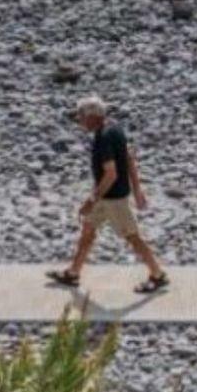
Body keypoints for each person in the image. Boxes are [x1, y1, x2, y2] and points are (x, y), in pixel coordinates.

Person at [47, 97, 170, 294]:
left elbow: (110, 174)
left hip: (113, 200)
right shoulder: (115, 129)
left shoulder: (103, 138)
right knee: (87, 230)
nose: (79, 120)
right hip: (105, 196)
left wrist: (91, 200)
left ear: (93, 116)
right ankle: (73, 273)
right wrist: (137, 190)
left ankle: (158, 275)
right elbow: (129, 158)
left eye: (81, 116)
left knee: (132, 237)